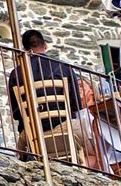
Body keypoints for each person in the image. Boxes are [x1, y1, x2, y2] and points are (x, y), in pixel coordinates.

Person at [7, 29, 97, 166]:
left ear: (25, 49)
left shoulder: (16, 73)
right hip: (65, 128)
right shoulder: (63, 67)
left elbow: (16, 113)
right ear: (45, 45)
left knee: (23, 150)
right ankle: (83, 173)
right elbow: (76, 104)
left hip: (33, 133)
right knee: (94, 151)